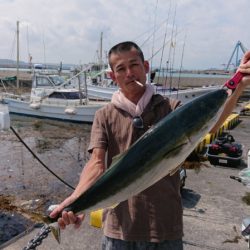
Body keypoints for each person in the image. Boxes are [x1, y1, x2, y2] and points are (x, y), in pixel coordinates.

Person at [50, 41, 250, 249]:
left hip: (165, 229)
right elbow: (96, 163)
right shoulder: (104, 116)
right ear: (113, 76)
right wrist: (76, 200)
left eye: (134, 65)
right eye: (121, 68)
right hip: (119, 231)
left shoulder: (171, 108)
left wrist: (239, 86)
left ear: (145, 67)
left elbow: (209, 124)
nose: (129, 73)